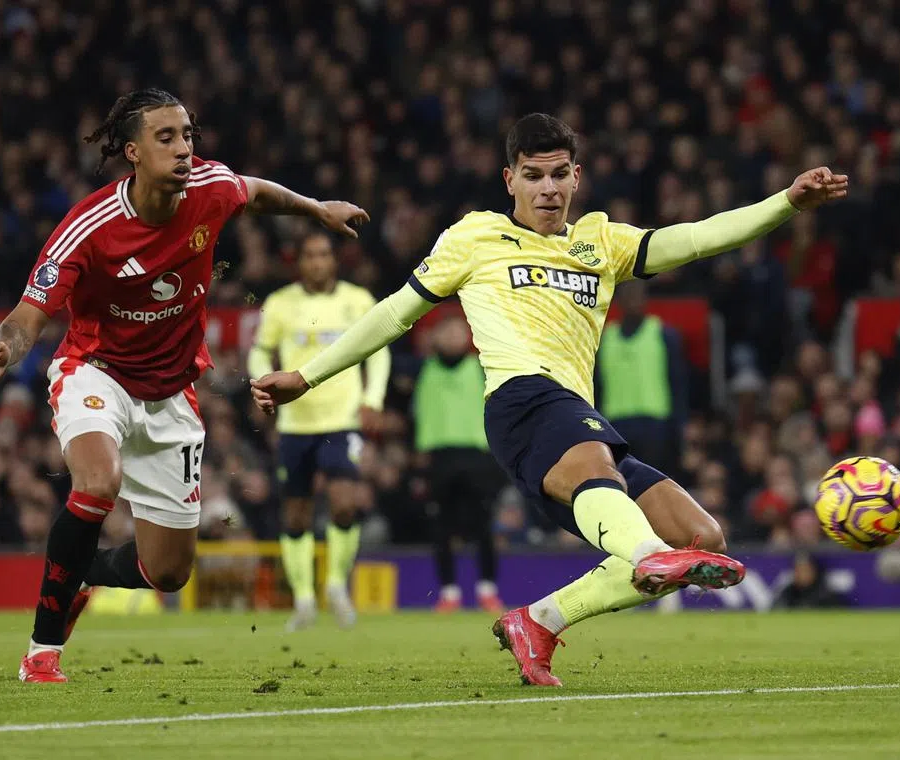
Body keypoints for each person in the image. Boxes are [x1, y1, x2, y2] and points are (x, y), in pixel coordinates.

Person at [251, 113, 847, 686]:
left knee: (702, 539)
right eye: (533, 176)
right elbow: (394, 314)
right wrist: (307, 376)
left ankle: (539, 621)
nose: (548, 189)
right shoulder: (475, 237)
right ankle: (644, 554)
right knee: (622, 505)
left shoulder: (601, 242)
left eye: (559, 174)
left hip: (579, 418)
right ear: (510, 179)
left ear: (576, 177)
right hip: (520, 402)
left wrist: (787, 202)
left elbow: (695, 239)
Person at [0, 88, 369, 683]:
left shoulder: (210, 189)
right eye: (167, 138)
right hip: (96, 373)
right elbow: (30, 313)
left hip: (171, 396)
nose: (184, 149)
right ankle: (42, 650)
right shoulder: (89, 225)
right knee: (98, 482)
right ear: (132, 151)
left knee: (169, 573)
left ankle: (82, 572)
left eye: (188, 135)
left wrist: (316, 209)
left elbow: (256, 191)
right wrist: (6, 349)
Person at [246, 232, 390, 631]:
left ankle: (336, 586)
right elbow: (260, 348)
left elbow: (379, 349)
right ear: (300, 262)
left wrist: (373, 400)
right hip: (295, 423)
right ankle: (304, 600)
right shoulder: (280, 304)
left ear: (334, 260)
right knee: (295, 514)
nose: (317, 262)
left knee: (344, 503)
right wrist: (261, 379)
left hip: (342, 420)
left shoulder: (357, 300)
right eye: (310, 255)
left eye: (324, 255)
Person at [413, 313, 504, 613]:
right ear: (435, 337)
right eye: (447, 332)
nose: (454, 337)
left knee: (482, 525)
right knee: (441, 527)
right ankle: (449, 592)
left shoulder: (481, 368)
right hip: (438, 457)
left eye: (459, 332)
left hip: (475, 455)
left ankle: (487, 589)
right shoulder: (422, 369)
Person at [595, 279, 687, 470]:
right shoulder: (604, 340)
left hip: (655, 424)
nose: (634, 299)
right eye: (628, 294)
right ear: (618, 300)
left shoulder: (663, 334)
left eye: (638, 294)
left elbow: (678, 383)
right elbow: (597, 386)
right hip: (615, 424)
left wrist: (678, 427)